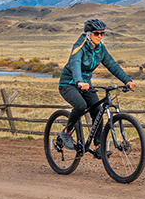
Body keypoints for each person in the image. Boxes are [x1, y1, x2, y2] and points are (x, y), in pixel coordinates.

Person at [58, 18, 135, 154]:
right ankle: (66, 132)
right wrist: (79, 81)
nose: (99, 36)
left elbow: (112, 65)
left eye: (102, 33)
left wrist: (127, 81)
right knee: (80, 105)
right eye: (96, 33)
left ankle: (99, 146)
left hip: (86, 84)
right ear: (88, 34)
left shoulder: (100, 49)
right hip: (69, 84)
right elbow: (75, 64)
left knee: (98, 111)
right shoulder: (79, 47)